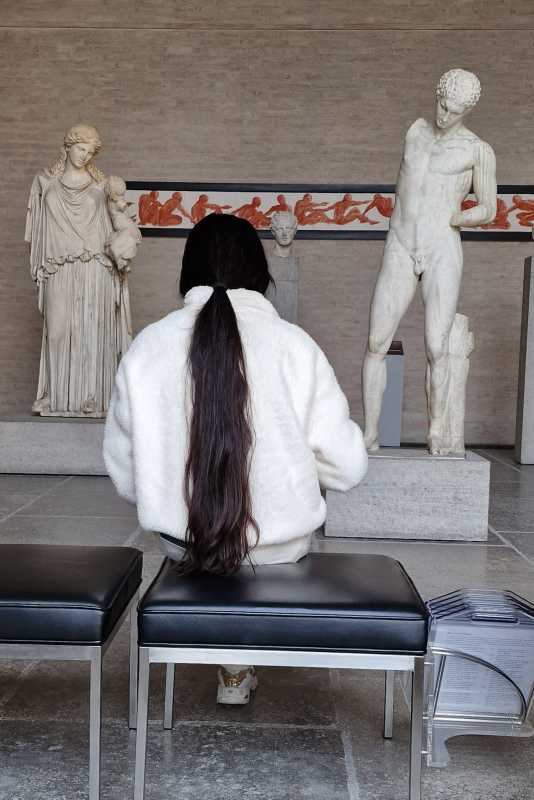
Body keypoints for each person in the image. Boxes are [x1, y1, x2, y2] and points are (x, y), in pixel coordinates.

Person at [104, 214, 367, 704]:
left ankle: (231, 664)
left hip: (185, 546)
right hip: (277, 546)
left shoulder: (148, 345)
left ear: (188, 272)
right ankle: (237, 661)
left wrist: (176, 490)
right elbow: (347, 467)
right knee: (269, 531)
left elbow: (124, 473)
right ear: (259, 274)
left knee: (204, 536)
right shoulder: (295, 345)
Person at [362, 69, 496, 454]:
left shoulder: (477, 150)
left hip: (442, 246)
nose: (443, 114)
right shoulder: (415, 131)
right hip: (401, 242)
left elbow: (488, 208)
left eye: (453, 110)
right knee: (376, 341)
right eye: (441, 104)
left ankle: (436, 430)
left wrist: (454, 216)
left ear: (467, 110)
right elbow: (402, 188)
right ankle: (370, 433)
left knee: (437, 346)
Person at [25, 124, 140, 417]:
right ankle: (55, 394)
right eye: (80, 148)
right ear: (67, 147)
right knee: (57, 330)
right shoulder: (45, 182)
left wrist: (125, 241)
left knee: (91, 330)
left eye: (90, 152)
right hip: (58, 266)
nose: (84, 155)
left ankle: (92, 397)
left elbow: (122, 223)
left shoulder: (103, 185)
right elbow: (36, 232)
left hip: (94, 267)